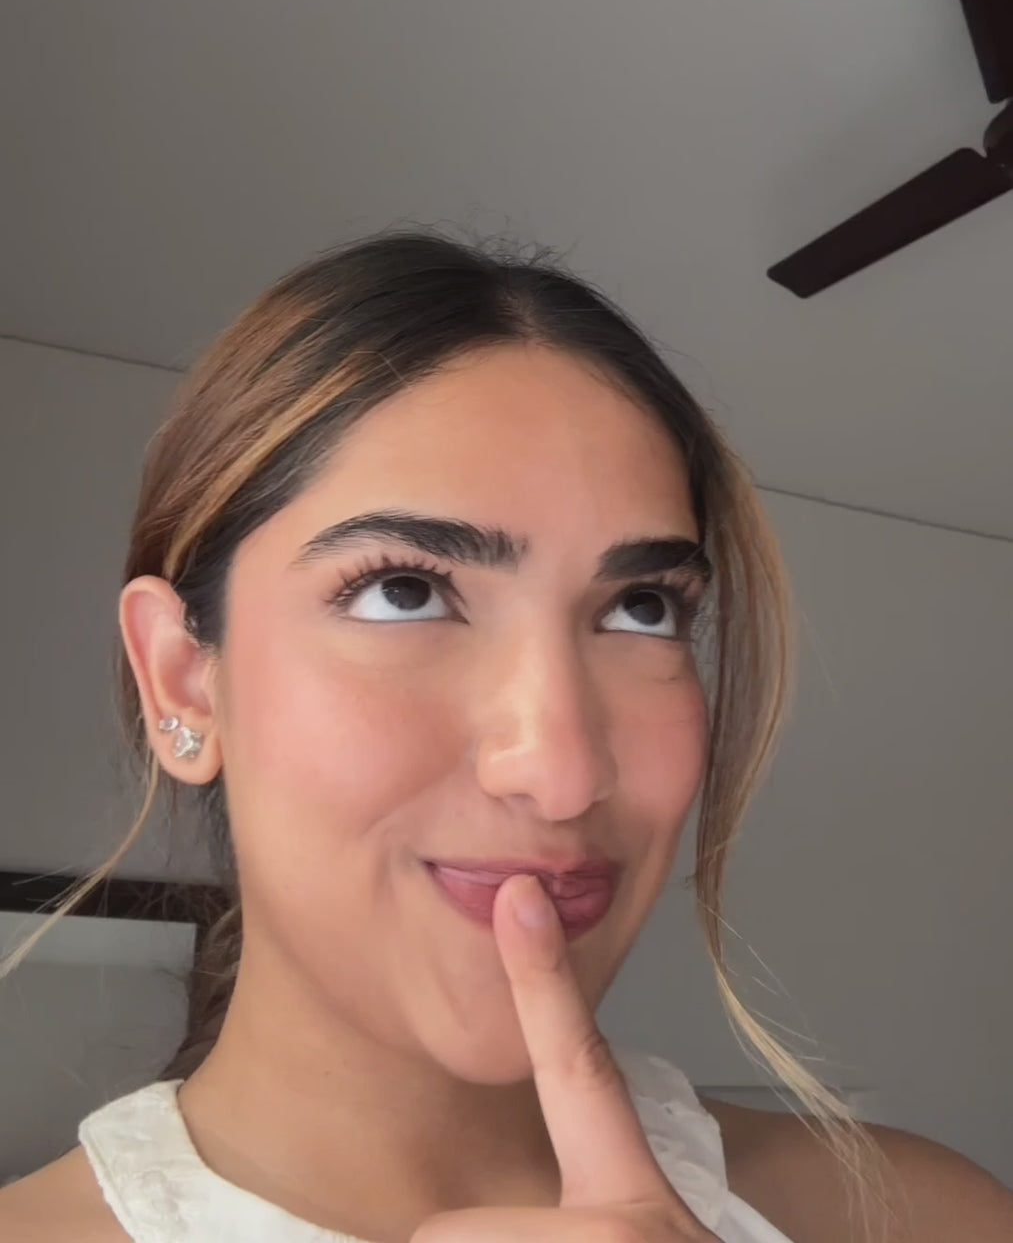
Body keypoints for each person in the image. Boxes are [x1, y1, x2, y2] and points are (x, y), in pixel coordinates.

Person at [1, 230, 1009, 1243]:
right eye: (403, 592)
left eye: (643, 608)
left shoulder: (923, 1218)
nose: (562, 773)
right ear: (183, 680)